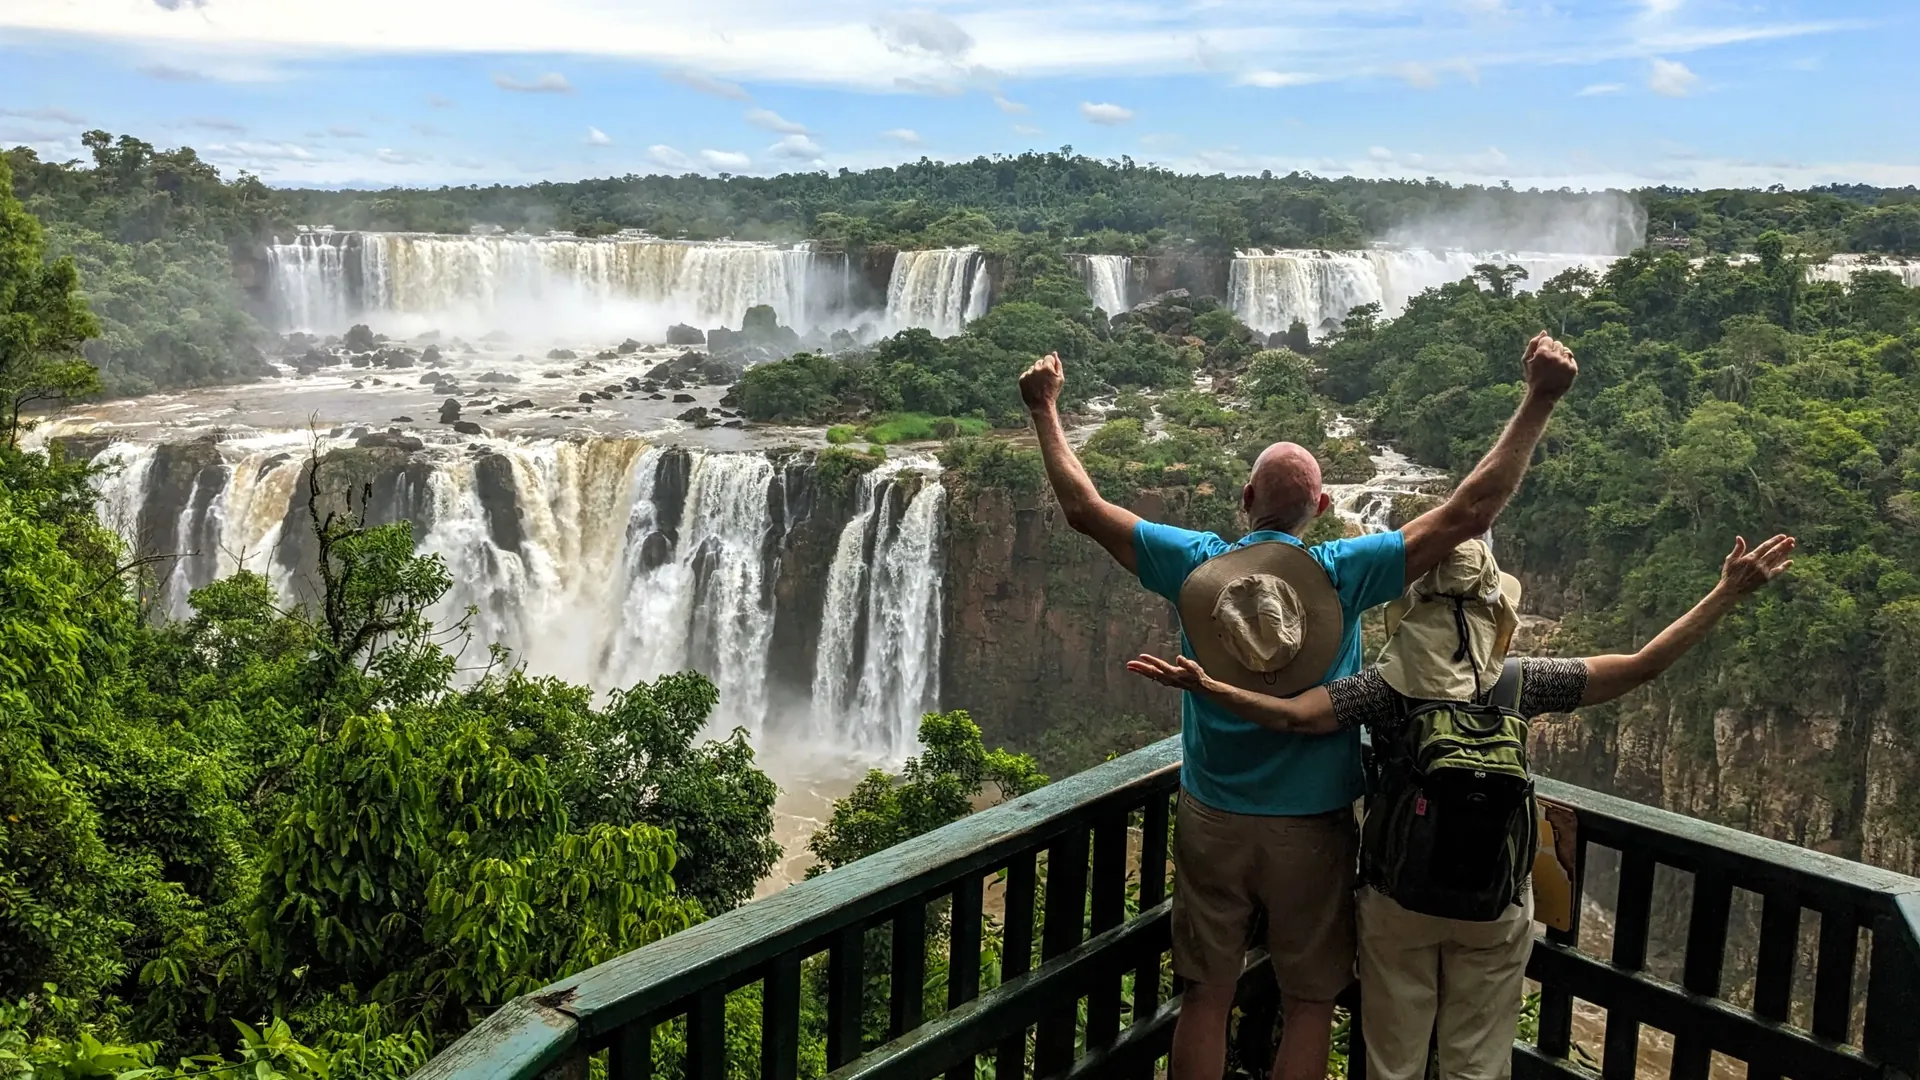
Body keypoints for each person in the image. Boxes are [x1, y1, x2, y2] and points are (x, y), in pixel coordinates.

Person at [1016, 331, 1578, 1080]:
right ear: (1321, 505)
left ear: (1246, 500)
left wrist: (1044, 408)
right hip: (1313, 828)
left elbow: (1084, 508)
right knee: (1311, 1001)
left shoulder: (1194, 564)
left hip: (1213, 817)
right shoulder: (1345, 570)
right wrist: (1539, 398)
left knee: (1206, 995)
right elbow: (1469, 511)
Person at [1127, 533, 1796, 1080]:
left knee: (1393, 1065)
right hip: (1494, 906)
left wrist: (1210, 686)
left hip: (1397, 902)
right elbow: (1642, 665)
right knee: (1476, 1066)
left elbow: (1295, 717)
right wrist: (1726, 592)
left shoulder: (1385, 689)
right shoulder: (1520, 682)